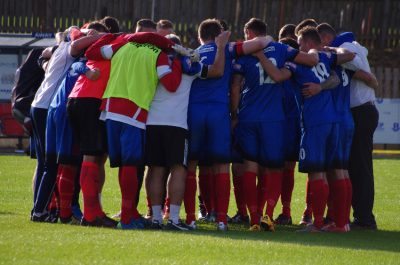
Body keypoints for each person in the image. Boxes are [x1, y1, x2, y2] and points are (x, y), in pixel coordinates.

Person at [185, 18, 273, 231]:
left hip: (194, 112)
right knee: (222, 164)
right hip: (219, 113)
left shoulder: (192, 54)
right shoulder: (230, 48)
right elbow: (263, 42)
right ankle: (222, 220)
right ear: (219, 35)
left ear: (199, 36)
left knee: (191, 165)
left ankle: (190, 219)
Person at [231, 18, 318, 231]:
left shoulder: (245, 54)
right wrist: (319, 53)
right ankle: (268, 216)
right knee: (274, 168)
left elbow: (234, 87)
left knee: (249, 166)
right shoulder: (281, 49)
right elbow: (310, 61)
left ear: (250, 33)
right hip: (274, 119)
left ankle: (253, 219)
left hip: (249, 116)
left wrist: (234, 113)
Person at [92, 32, 182, 230]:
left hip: (109, 109)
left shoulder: (122, 46)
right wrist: (177, 62)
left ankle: (129, 212)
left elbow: (93, 52)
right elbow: (171, 84)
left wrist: (112, 36)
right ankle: (127, 218)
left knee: (124, 165)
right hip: (133, 110)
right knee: (131, 164)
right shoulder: (158, 54)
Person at [146, 31, 230, 230]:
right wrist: (219, 48)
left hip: (152, 122)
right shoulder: (188, 66)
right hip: (176, 124)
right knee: (178, 169)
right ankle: (174, 219)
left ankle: (156, 217)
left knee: (156, 170)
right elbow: (217, 71)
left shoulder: (152, 63)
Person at [30, 26, 103, 222]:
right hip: (48, 106)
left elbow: (56, 42)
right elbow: (77, 49)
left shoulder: (60, 47)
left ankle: (41, 209)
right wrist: (109, 37)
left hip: (39, 104)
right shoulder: (71, 48)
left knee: (45, 163)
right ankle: (44, 211)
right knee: (52, 164)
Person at [317, 25, 379, 230]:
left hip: (359, 111)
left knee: (359, 167)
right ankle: (358, 216)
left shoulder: (344, 45)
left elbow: (355, 61)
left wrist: (365, 76)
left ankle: (364, 219)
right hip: (360, 111)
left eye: (321, 41)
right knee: (354, 166)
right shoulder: (350, 44)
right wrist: (367, 77)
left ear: (326, 37)